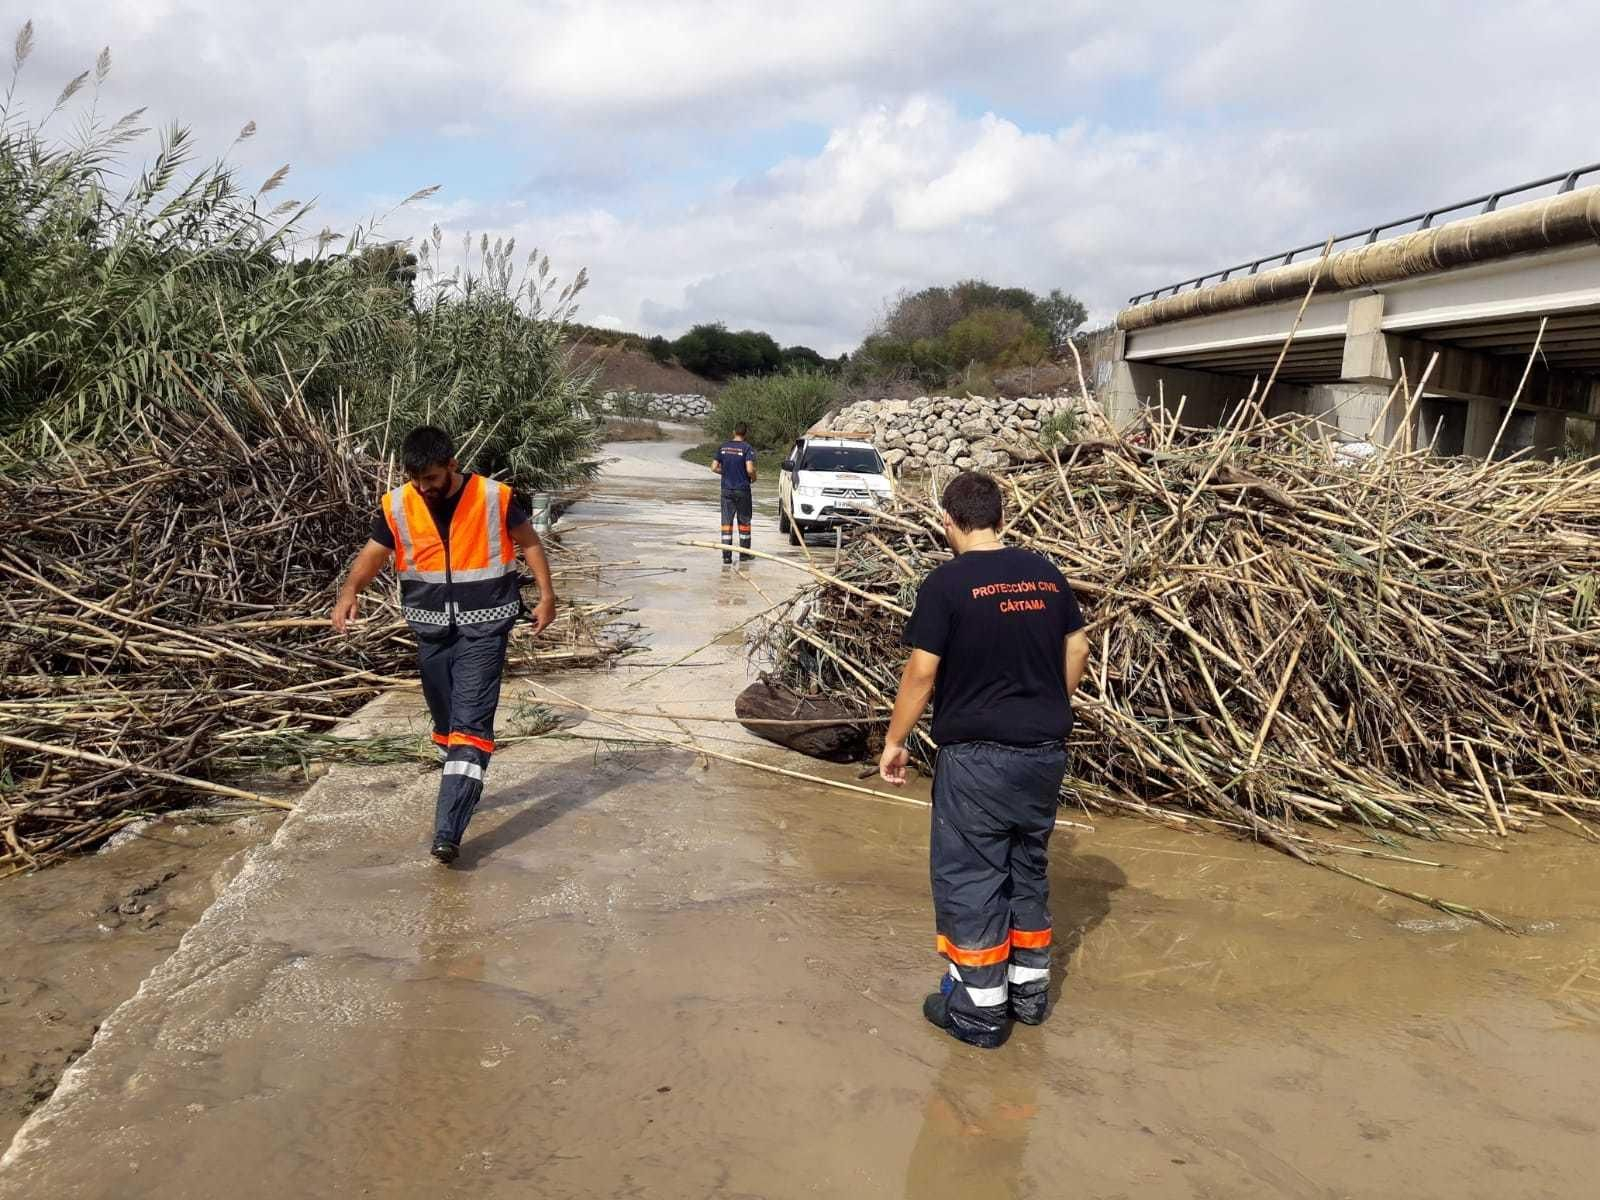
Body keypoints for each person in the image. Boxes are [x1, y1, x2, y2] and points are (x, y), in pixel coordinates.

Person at [879, 471, 1090, 1048]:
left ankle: (978, 1011)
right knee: (1027, 866)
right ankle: (1029, 994)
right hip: (1043, 752)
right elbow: (1078, 645)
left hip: (977, 758)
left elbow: (922, 673)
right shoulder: (1046, 575)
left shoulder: (947, 584)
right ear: (1002, 516)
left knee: (972, 875)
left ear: (949, 521)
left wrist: (895, 740)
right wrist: (1049, 702)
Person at [331, 426, 556, 864]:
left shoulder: (494, 497)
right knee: (445, 721)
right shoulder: (398, 504)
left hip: (486, 626)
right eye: (417, 481)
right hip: (431, 628)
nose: (424, 488)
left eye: (431, 479)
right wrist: (350, 589)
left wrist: (547, 596)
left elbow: (528, 543)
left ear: (451, 465)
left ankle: (448, 831)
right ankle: (458, 778)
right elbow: (376, 551)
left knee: (470, 725)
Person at [711, 423, 757, 564]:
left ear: (733, 432)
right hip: (742, 490)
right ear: (745, 433)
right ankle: (744, 555)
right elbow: (749, 470)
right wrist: (754, 477)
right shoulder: (747, 448)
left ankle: (726, 557)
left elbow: (713, 467)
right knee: (744, 522)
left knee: (726, 523)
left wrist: (725, 472)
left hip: (726, 490)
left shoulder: (723, 447)